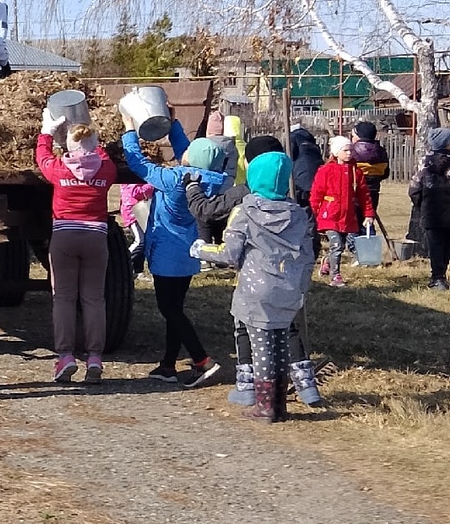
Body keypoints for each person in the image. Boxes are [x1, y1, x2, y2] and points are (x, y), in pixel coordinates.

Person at [209, 150, 317, 422]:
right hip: (290, 287)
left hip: (256, 289)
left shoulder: (246, 211)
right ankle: (280, 406)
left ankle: (264, 407)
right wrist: (302, 286)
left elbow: (230, 255)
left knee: (261, 349)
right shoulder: (298, 214)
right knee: (280, 345)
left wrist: (200, 250)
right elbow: (307, 255)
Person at [119, 118, 226, 384]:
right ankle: (168, 365)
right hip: (187, 253)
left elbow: (139, 164)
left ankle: (202, 360)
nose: (184, 151)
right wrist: (174, 122)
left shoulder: (175, 179)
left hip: (167, 255)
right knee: (175, 308)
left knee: (170, 310)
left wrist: (130, 132)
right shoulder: (209, 178)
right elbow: (188, 151)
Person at [34, 117, 116, 384]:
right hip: (96, 237)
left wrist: (47, 132)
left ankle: (66, 356)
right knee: (94, 299)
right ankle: (94, 357)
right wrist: (94, 141)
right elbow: (101, 153)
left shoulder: (59, 169)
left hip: (65, 237)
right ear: (95, 146)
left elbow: (42, 155)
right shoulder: (106, 170)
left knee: (64, 298)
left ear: (67, 148)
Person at [309, 134, 372, 285]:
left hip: (347, 216)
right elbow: (316, 193)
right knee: (336, 244)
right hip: (330, 215)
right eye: (345, 150)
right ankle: (335, 276)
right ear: (336, 152)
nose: (349, 153)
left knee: (340, 246)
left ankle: (328, 263)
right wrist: (313, 213)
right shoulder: (326, 171)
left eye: (350, 150)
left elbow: (364, 195)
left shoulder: (356, 172)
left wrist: (369, 214)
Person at [407, 126, 450, 291]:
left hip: (431, 214)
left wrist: (422, 205)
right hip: (438, 214)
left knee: (437, 247)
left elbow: (414, 190)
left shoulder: (424, 164)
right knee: (445, 247)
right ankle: (439, 277)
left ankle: (438, 278)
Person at [349, 119, 390, 240]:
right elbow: (385, 173)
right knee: (368, 218)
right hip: (373, 190)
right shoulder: (381, 151)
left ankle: (356, 247)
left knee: (354, 220)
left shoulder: (352, 151)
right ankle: (369, 241)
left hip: (355, 190)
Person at [287, 125, 323, 210]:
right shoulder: (311, 142)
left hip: (301, 177)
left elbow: (290, 154)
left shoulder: (293, 137)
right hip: (316, 176)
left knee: (302, 204)